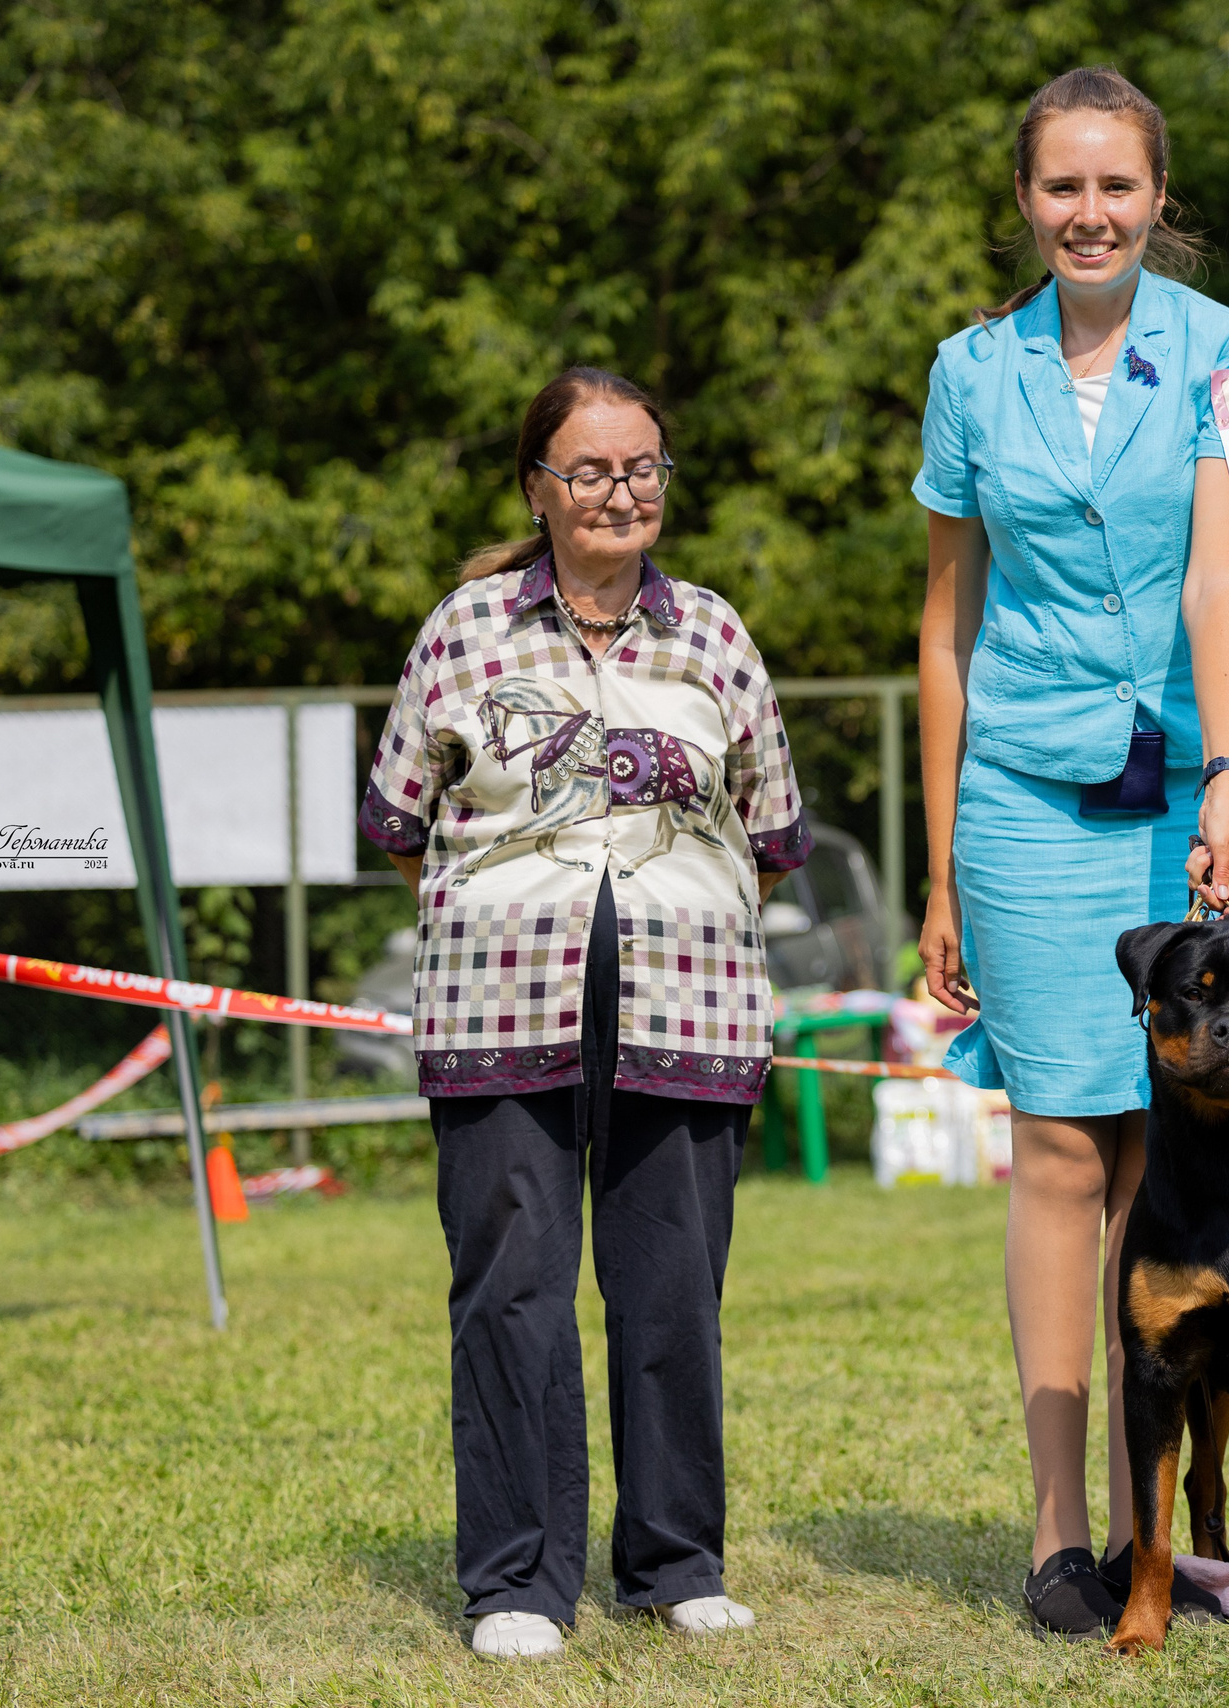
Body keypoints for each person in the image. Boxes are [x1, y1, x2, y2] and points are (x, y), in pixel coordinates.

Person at [912, 65, 1229, 1638]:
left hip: (1208, 781)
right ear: (1026, 200)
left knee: (1180, 1146)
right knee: (1066, 1147)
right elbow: (944, 627)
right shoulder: (968, 372)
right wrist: (941, 863)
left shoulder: (1228, 354)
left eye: (1117, 186)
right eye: (1063, 187)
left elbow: (1220, 585)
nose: (1091, 213)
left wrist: (1225, 773)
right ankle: (1062, 1532)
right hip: (1025, 796)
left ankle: (1162, 1531)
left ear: (1157, 198)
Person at [361, 367, 807, 1661]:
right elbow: (398, 817)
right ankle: (515, 1578)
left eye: (643, 467)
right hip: (498, 1002)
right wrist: (504, 904)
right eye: (593, 470)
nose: (621, 492)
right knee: (511, 1288)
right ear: (538, 489)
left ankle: (675, 1561)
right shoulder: (464, 632)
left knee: (672, 1290)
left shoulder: (713, 634)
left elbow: (773, 832)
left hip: (690, 1006)